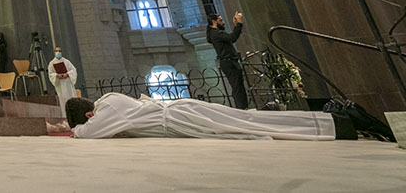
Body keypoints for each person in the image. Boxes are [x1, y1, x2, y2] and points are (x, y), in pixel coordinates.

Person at [66, 93, 343, 140]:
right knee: (244, 121)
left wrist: (73, 130)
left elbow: (87, 133)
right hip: (182, 115)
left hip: (181, 117)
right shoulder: (109, 103)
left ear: (89, 114)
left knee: (245, 123)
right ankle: (330, 123)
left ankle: (332, 123)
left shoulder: (107, 108)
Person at [207, 12, 248, 109]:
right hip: (228, 62)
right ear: (214, 21)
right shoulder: (215, 33)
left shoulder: (216, 32)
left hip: (230, 61)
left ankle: (244, 107)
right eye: (220, 20)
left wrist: (236, 26)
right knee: (237, 87)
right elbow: (232, 38)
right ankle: (242, 109)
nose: (223, 22)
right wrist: (239, 24)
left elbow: (230, 37)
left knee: (239, 86)